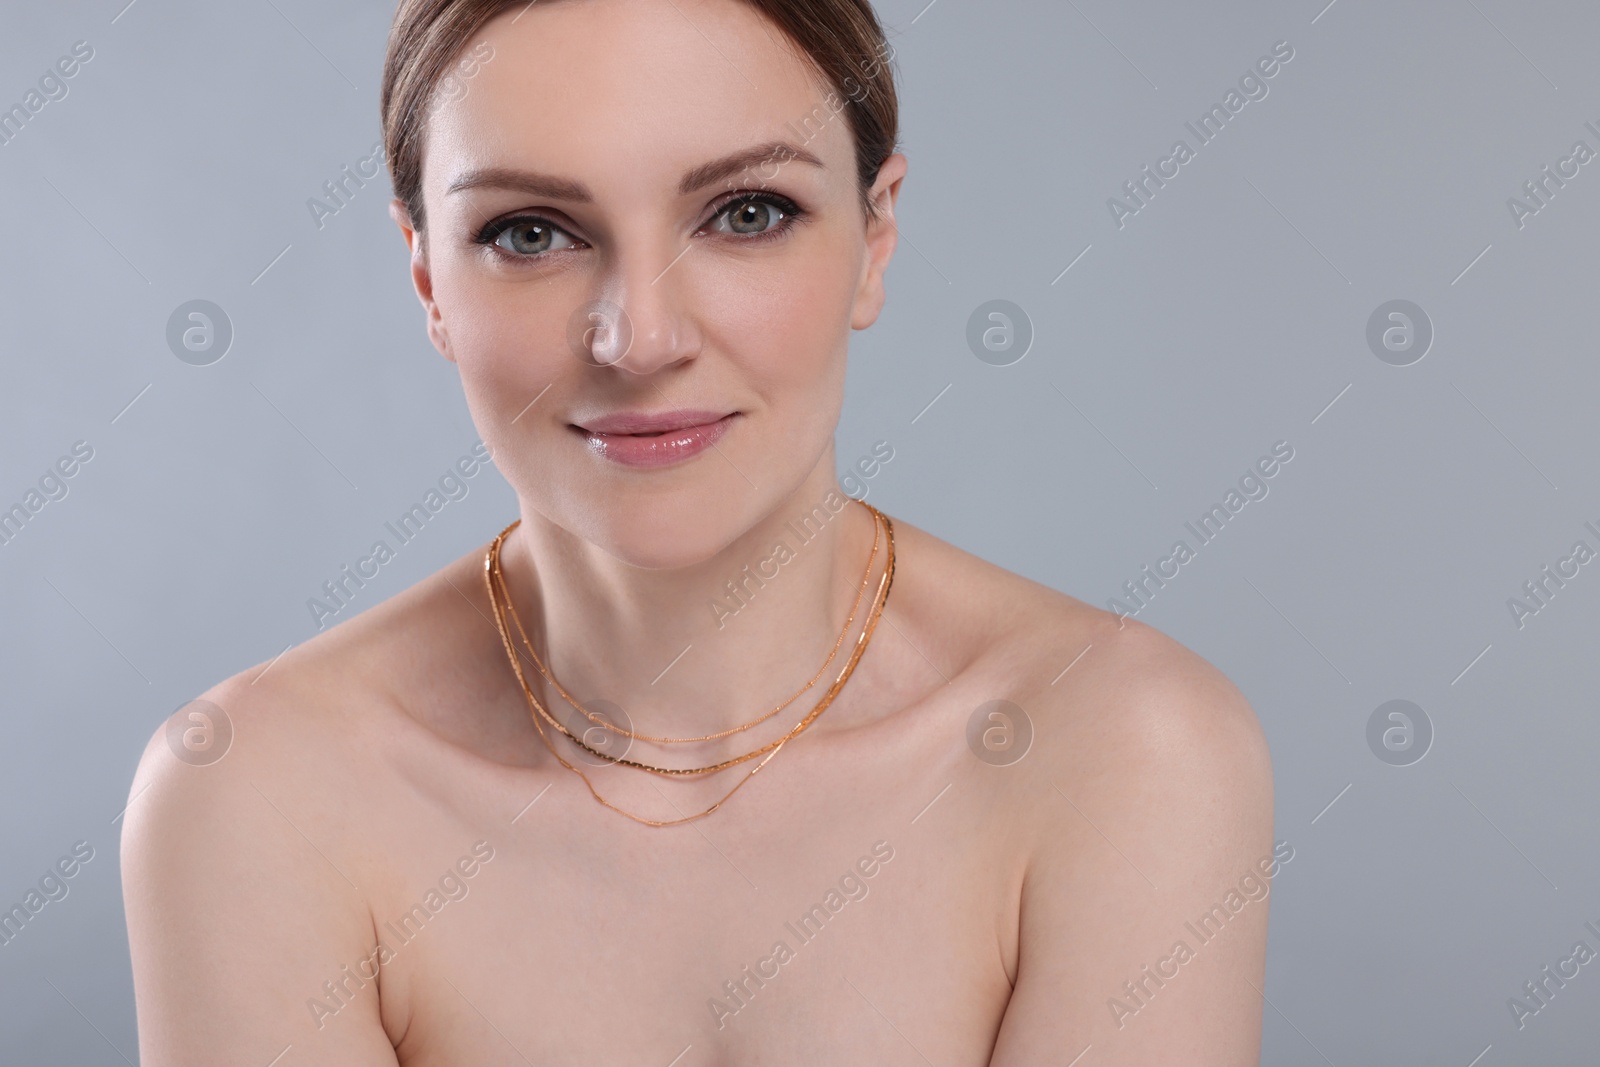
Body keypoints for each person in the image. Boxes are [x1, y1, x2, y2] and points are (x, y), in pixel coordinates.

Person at [121, 0, 1275, 1062]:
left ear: (874, 237)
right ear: (427, 274)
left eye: (746, 213)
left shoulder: (1125, 752)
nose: (639, 337)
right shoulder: (254, 797)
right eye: (531, 232)